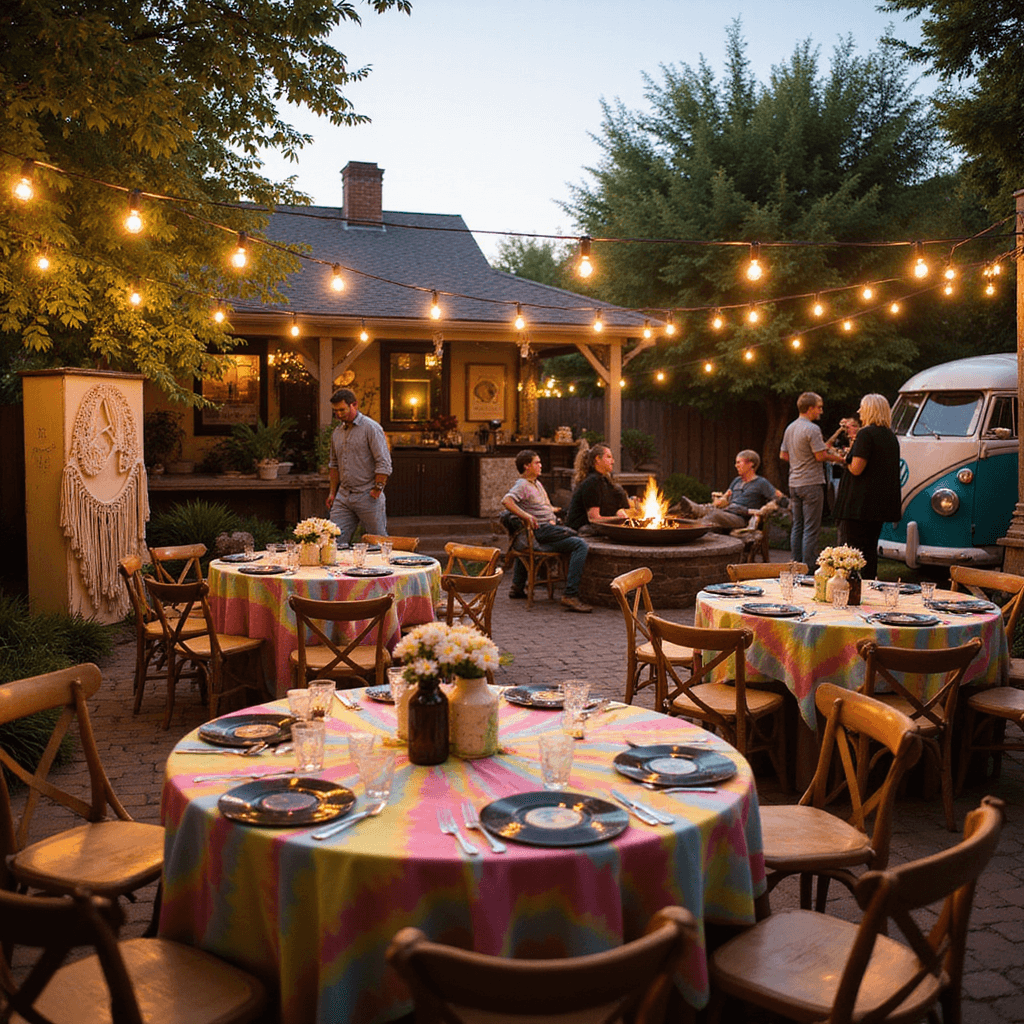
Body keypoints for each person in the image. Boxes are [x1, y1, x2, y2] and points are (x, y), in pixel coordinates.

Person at [502, 450, 592, 613]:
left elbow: (544, 506)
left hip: (547, 528)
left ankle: (517, 587)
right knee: (580, 543)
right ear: (527, 466)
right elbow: (506, 501)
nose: (541, 465)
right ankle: (570, 595)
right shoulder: (522, 485)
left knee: (568, 531)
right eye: (537, 463)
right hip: (541, 532)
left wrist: (556, 510)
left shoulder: (536, 483)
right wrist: (527, 516)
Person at [833, 394, 902, 580]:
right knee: (869, 552)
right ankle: (869, 588)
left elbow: (856, 468)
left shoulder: (866, 434)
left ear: (870, 410)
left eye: (862, 407)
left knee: (851, 553)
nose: (859, 411)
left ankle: (849, 590)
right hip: (878, 505)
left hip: (858, 504)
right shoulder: (890, 436)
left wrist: (845, 459)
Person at [780, 392, 845, 567]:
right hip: (811, 483)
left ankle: (795, 564)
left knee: (798, 526)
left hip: (794, 483)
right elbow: (820, 456)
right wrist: (841, 459)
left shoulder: (790, 428)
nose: (821, 411)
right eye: (819, 407)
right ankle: (808, 568)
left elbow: (783, 455)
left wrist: (800, 458)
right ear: (810, 408)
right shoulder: (812, 429)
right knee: (811, 528)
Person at [325, 387, 392, 545]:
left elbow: (383, 462)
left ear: (354, 405)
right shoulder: (337, 432)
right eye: (336, 411)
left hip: (367, 494)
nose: (339, 414)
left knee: (378, 542)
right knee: (332, 542)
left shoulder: (371, 428)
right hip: (344, 496)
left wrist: (378, 488)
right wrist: (332, 493)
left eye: (342, 410)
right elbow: (333, 465)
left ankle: (384, 569)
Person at [675, 450, 785, 529]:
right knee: (705, 511)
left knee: (715, 516)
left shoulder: (761, 483)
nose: (736, 465)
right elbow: (725, 498)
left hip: (740, 517)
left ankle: (692, 529)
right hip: (727, 511)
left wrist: (765, 510)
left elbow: (778, 498)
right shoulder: (736, 481)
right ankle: (691, 511)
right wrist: (719, 500)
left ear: (751, 464)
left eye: (739, 462)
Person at [565, 443, 632, 534]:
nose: (612, 461)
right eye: (608, 457)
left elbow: (617, 506)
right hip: (581, 528)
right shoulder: (592, 481)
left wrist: (622, 514)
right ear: (597, 459)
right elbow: (594, 518)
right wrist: (619, 520)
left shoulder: (606, 481)